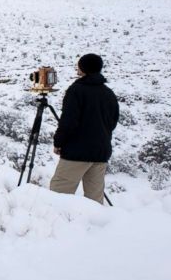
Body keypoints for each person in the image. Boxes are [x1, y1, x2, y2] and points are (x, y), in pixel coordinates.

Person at [49, 53, 119, 203]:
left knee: (57, 196)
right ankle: (96, 225)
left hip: (76, 153)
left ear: (82, 68)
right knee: (95, 200)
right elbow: (112, 123)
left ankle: (57, 225)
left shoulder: (76, 90)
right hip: (101, 152)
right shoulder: (109, 93)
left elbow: (68, 122)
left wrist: (58, 142)